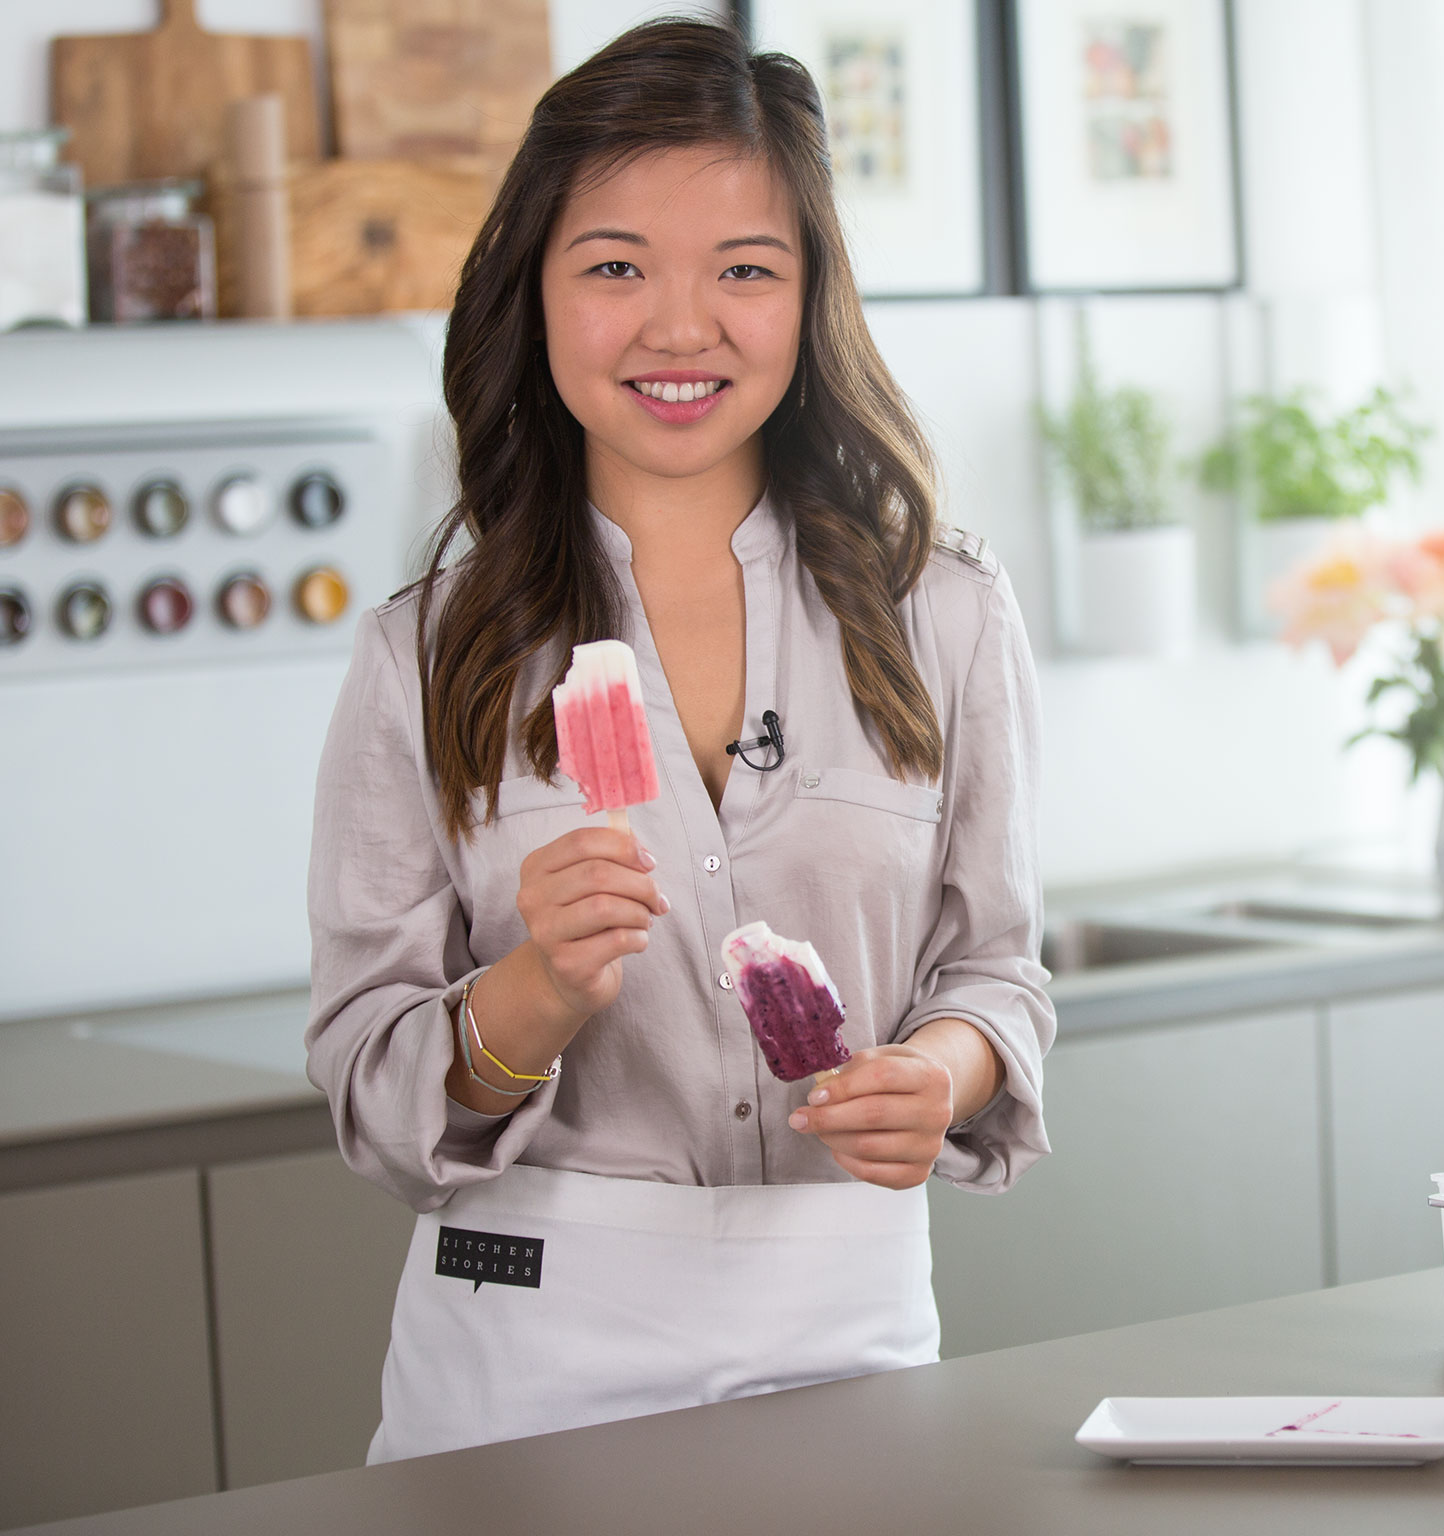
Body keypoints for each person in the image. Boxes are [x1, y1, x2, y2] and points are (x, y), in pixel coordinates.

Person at [305, 17, 1052, 1462]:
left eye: (745, 271)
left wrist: (938, 1077)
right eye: (616, 267)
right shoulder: (425, 652)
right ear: (536, 292)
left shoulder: (942, 613)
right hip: (527, 1346)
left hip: (849, 1323)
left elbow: (993, 969)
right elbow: (369, 1085)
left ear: (809, 297)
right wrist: (526, 997)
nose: (679, 326)